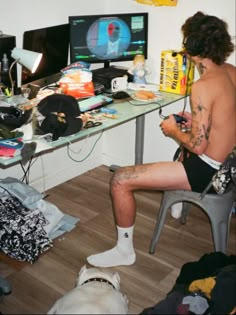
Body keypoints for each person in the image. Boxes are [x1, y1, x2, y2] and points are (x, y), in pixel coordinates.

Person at [87, 11, 236, 268]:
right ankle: (177, 202)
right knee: (180, 154)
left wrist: (173, 129)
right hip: (229, 164)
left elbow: (198, 146)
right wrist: (196, 121)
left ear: (192, 47)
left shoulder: (202, 86)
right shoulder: (231, 71)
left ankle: (124, 251)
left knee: (120, 179)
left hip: (209, 171)